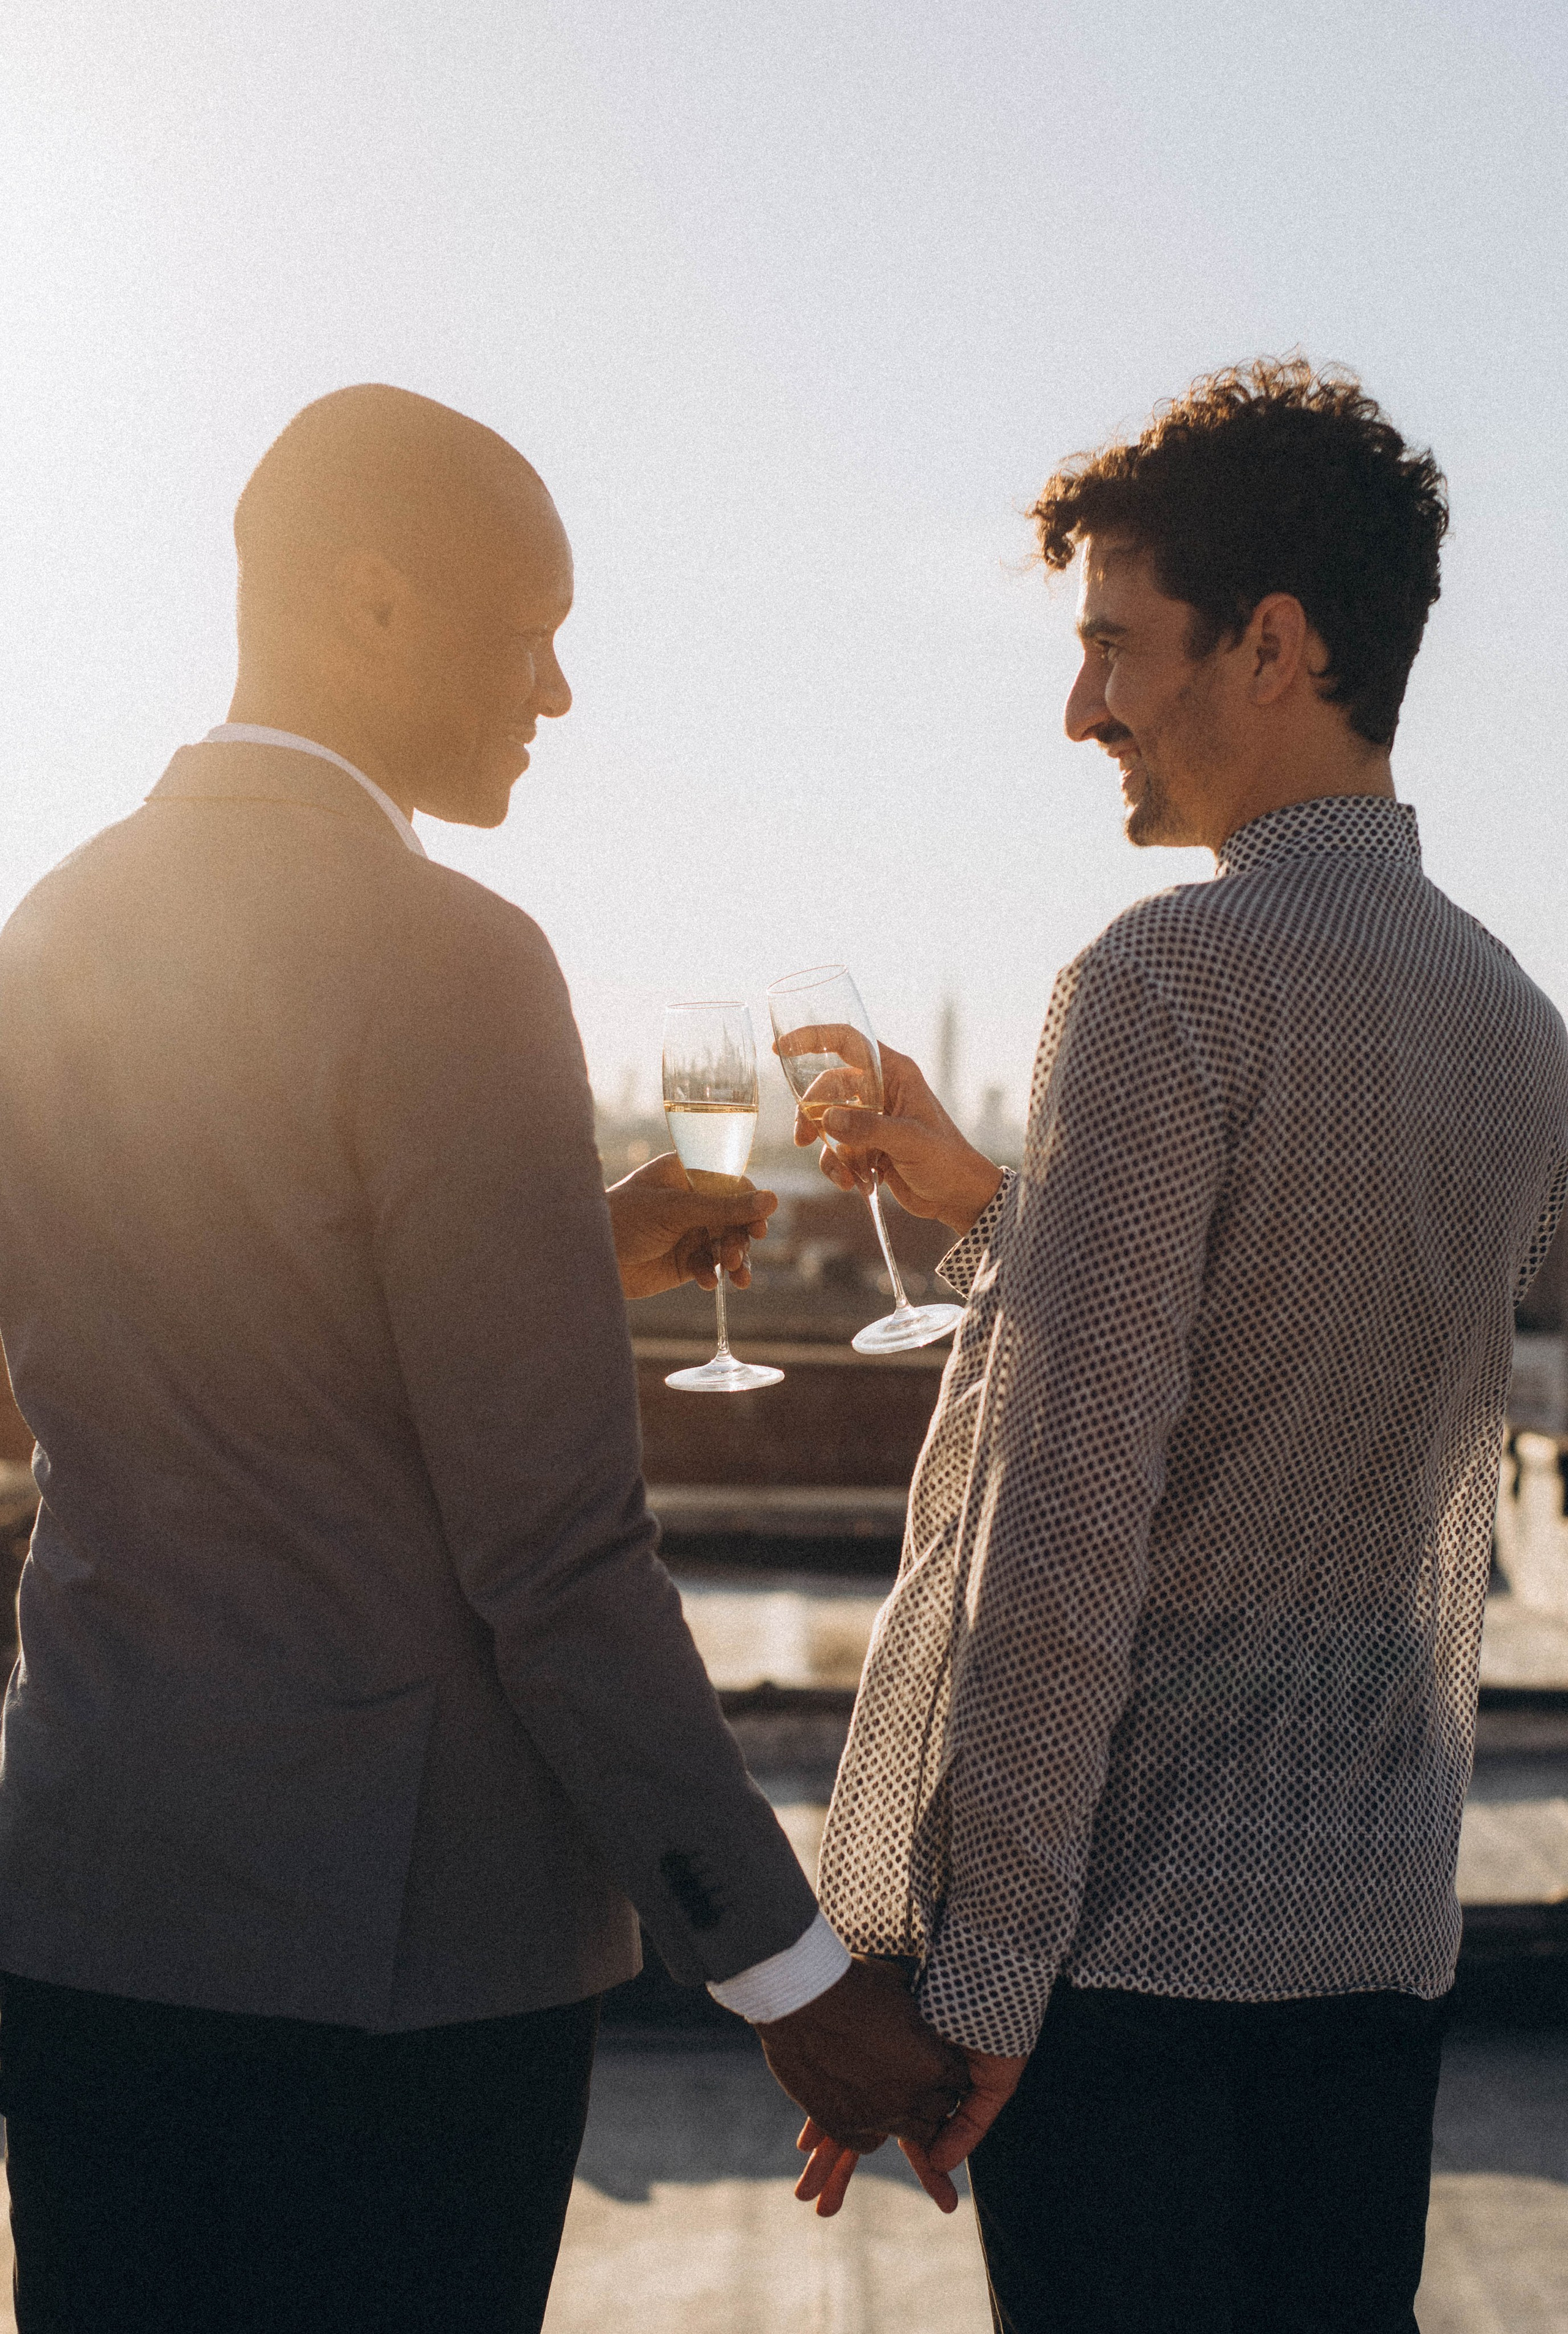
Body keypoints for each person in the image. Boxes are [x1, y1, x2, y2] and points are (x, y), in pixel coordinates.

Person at [0, 384, 967, 2333]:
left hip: (88, 1926)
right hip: (396, 1986)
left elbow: (180, 1335)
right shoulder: (453, 958)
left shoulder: (57, 925)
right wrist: (785, 1974)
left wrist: (563, 1252)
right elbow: (554, 1562)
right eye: (531, 627)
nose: (559, 690)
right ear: (371, 608)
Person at [788, 360, 1568, 2331]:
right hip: (1374, 1941)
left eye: (1117, 648)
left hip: (1129, 1970)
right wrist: (1002, 1204)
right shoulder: (1511, 1024)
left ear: (1277, 644)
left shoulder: (1164, 984)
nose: (1084, 709)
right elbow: (1298, 1330)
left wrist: (975, 1996)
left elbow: (1070, 1530)